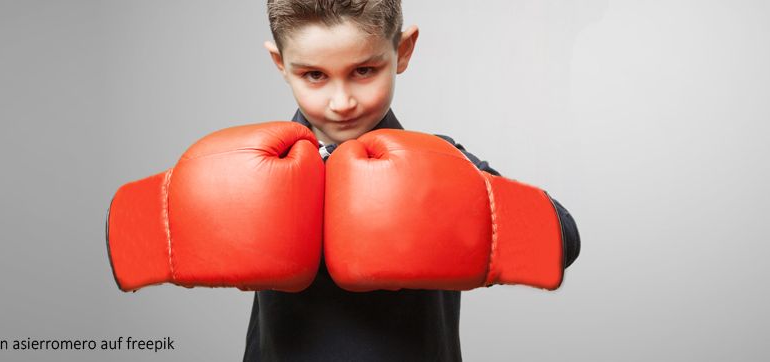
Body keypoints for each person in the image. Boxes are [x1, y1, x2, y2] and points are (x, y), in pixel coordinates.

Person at [242, 1, 581, 361]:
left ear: (402, 51)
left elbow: (564, 241)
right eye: (314, 75)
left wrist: (456, 204)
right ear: (281, 64)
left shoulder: (440, 161)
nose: (341, 102)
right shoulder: (256, 170)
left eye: (364, 70)